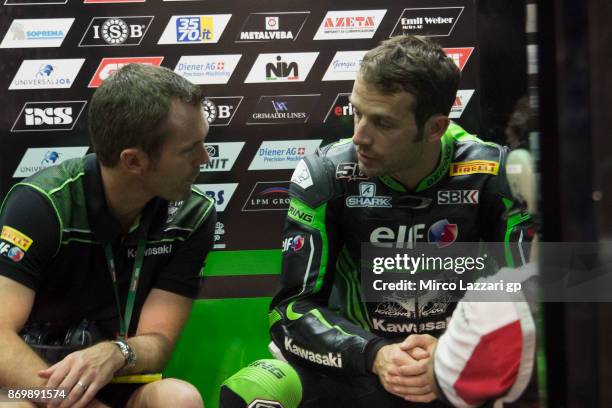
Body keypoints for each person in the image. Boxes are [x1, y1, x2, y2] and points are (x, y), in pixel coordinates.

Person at [220, 34, 531, 407]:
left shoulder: (494, 173)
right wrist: (375, 354)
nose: (359, 136)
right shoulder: (326, 174)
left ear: (434, 128)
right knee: (253, 389)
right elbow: (291, 310)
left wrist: (452, 352)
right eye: (357, 112)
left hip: (460, 366)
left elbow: (532, 295)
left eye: (382, 123)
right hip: (364, 367)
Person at [0, 63, 215, 408]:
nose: (205, 158)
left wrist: (118, 351)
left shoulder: (191, 214)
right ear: (134, 161)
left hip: (118, 376)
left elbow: (158, 341)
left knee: (179, 398)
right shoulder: (43, 205)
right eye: (190, 149)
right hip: (34, 384)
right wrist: (73, 403)